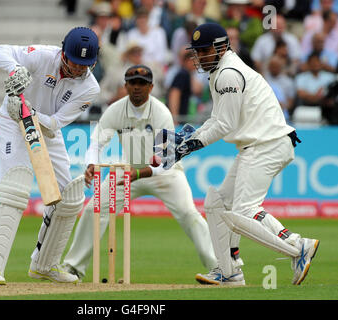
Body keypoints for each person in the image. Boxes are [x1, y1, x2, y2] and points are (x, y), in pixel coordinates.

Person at [154, 23, 319, 286]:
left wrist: (186, 147)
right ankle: (229, 272)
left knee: (243, 211)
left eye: (204, 50)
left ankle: (298, 247)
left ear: (221, 47)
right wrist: (189, 139)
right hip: (261, 143)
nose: (200, 56)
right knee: (216, 203)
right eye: (197, 51)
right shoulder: (220, 71)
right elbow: (217, 119)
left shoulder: (228, 73)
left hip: (267, 143)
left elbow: (224, 126)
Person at [61, 64, 218, 281]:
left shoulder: (161, 113)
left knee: (189, 214)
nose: (137, 88)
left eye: (142, 84)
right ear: (125, 86)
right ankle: (73, 268)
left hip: (165, 174)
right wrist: (91, 165)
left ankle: (219, 268)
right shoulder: (115, 110)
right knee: (93, 210)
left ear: (151, 87)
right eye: (132, 83)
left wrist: (136, 175)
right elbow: (96, 144)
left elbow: (164, 161)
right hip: (127, 171)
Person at [0, 27, 101, 285]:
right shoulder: (43, 56)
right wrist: (15, 69)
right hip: (12, 120)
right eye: (74, 63)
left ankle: (44, 264)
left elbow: (55, 123)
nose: (78, 70)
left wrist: (29, 111)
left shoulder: (90, 88)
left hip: (45, 128)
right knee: (14, 186)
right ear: (63, 53)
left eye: (84, 65)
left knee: (70, 196)